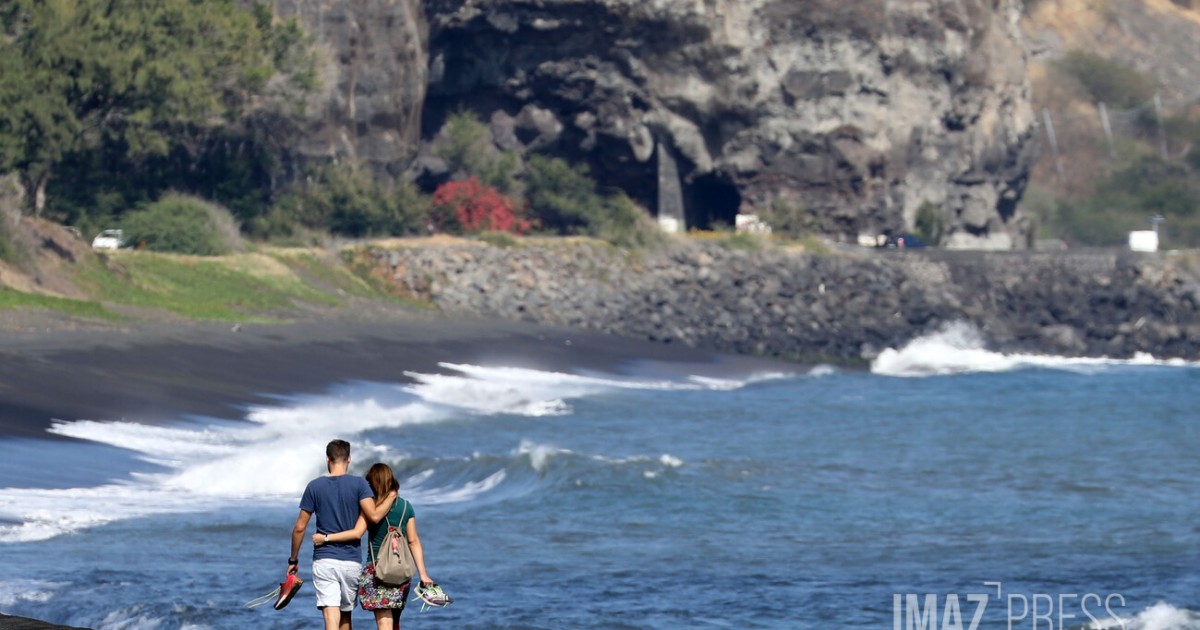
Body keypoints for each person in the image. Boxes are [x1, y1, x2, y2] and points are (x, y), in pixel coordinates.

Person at [315, 462, 436, 630]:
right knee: (394, 621)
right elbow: (413, 541)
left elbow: (356, 533)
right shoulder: (406, 506)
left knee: (384, 622)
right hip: (402, 572)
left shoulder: (370, 508)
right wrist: (423, 574)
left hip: (378, 571)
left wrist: (325, 538)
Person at [289, 439, 376, 630]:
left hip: (325, 560)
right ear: (349, 459)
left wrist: (293, 560)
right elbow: (373, 515)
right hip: (351, 561)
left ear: (328, 459)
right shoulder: (360, 485)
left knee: (331, 618)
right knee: (345, 618)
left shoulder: (314, 486)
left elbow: (299, 528)